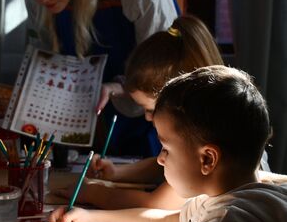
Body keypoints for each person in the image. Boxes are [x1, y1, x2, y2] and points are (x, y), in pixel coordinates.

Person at [28, 65, 287, 222]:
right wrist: (90, 217)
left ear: (207, 159)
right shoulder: (248, 194)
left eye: (166, 148)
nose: (160, 159)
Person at [7, 0, 178, 158]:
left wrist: (118, 87)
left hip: (150, 117)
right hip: (86, 127)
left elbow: (168, 63)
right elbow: (46, 57)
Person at [55, 15, 224, 209]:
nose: (147, 117)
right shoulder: (201, 126)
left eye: (151, 110)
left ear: (182, 100)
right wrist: (117, 173)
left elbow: (155, 204)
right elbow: (163, 166)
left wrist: (94, 193)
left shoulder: (212, 141)